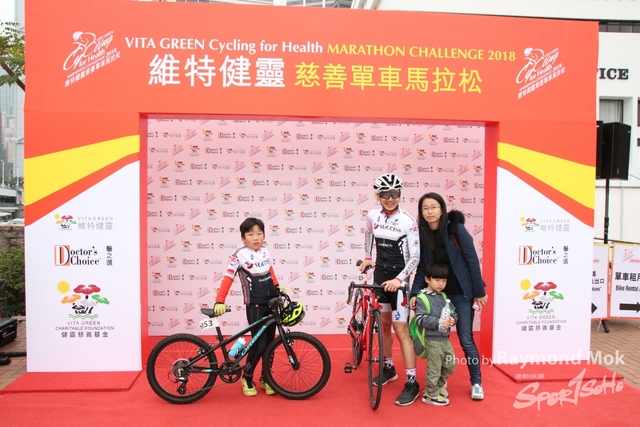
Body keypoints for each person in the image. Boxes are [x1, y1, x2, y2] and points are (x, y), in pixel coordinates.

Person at [410, 192, 488, 400]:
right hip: (437, 296)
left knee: (466, 339)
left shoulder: (455, 229)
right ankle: (439, 381)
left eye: (433, 207)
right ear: (421, 212)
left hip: (461, 293)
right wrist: (415, 293)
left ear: (442, 209)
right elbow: (422, 268)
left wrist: (479, 291)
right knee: (436, 340)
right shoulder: (422, 233)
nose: (430, 212)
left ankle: (476, 382)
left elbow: (472, 260)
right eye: (425, 208)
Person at [359, 173, 421, 406]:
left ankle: (412, 382)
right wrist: (367, 257)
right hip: (380, 277)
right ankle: (388, 368)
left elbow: (415, 257)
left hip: (399, 281)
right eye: (386, 194)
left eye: (395, 194)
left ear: (400, 194)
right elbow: (368, 234)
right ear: (379, 196)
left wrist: (399, 279)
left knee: (401, 329)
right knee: (384, 325)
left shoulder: (408, 221)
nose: (390, 198)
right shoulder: (372, 215)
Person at [214, 217, 283, 397]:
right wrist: (220, 301)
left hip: (271, 303)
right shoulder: (239, 254)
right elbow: (228, 277)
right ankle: (247, 377)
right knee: (259, 345)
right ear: (243, 238)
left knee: (270, 345)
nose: (256, 237)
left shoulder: (265, 252)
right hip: (255, 305)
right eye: (251, 234)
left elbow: (270, 271)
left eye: (259, 233)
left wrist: (277, 287)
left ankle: (266, 378)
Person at [413, 261, 457, 406]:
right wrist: (439, 322)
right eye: (437, 280)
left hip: (445, 339)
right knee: (434, 368)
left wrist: (452, 319)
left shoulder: (443, 296)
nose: (441, 284)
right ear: (427, 279)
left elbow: (453, 312)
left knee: (450, 364)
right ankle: (430, 395)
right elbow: (420, 319)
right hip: (432, 339)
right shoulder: (422, 297)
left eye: (444, 281)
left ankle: (438, 386)